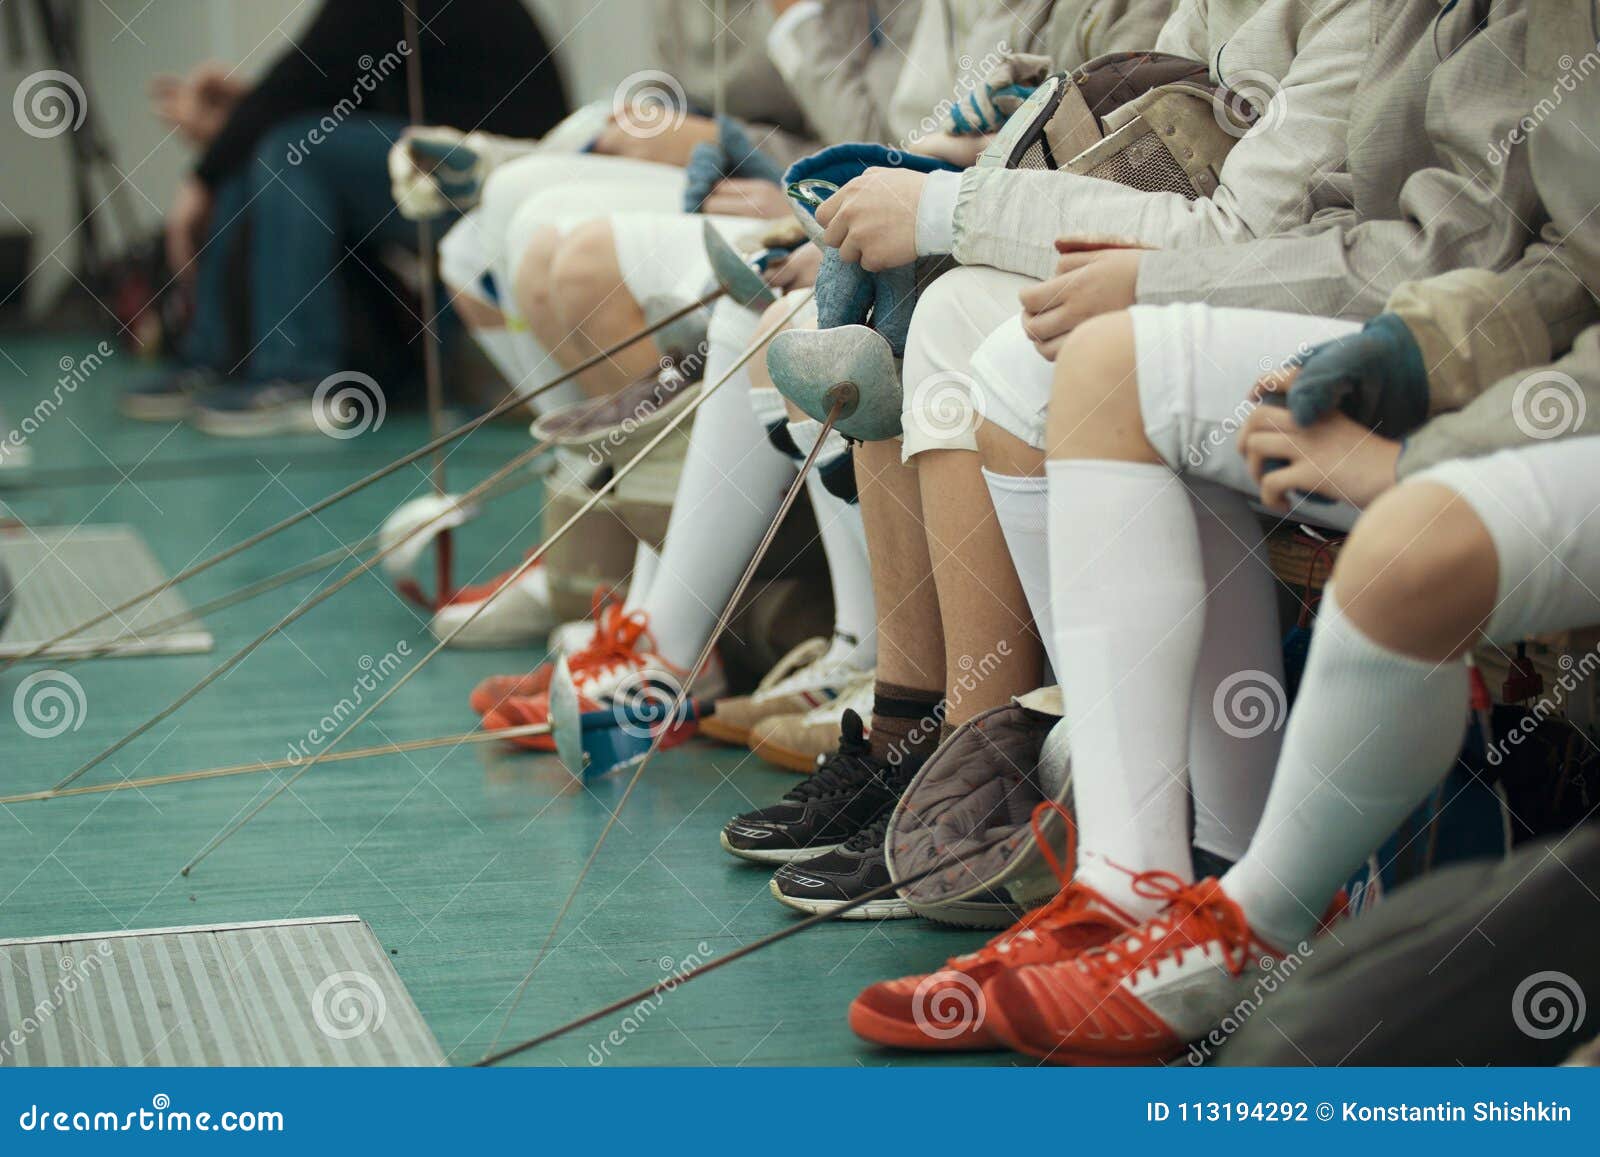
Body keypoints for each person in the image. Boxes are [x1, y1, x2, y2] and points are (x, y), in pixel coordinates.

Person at [853, 0, 1599, 1058]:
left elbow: (1457, 243)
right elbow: (1540, 263)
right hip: (1456, 330)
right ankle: (1138, 885)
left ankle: (1237, 922)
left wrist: (1424, 420)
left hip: (1513, 377)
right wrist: (1423, 345)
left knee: (1125, 368)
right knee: (1101, 366)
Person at [725, 0, 1370, 916]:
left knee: (1038, 345)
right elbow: (1152, 113)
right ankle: (945, 744)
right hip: (1255, 275)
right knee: (936, 303)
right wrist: (981, 152)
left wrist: (955, 203)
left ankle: (1100, 805)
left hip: (1326, 309)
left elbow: (1250, 230)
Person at [121, 0, 567, 435]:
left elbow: (307, 76)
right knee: (264, 146)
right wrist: (244, 116)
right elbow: (327, 82)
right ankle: (214, 360)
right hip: (452, 160)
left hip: (501, 175)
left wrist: (200, 181)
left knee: (295, 151)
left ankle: (299, 378)